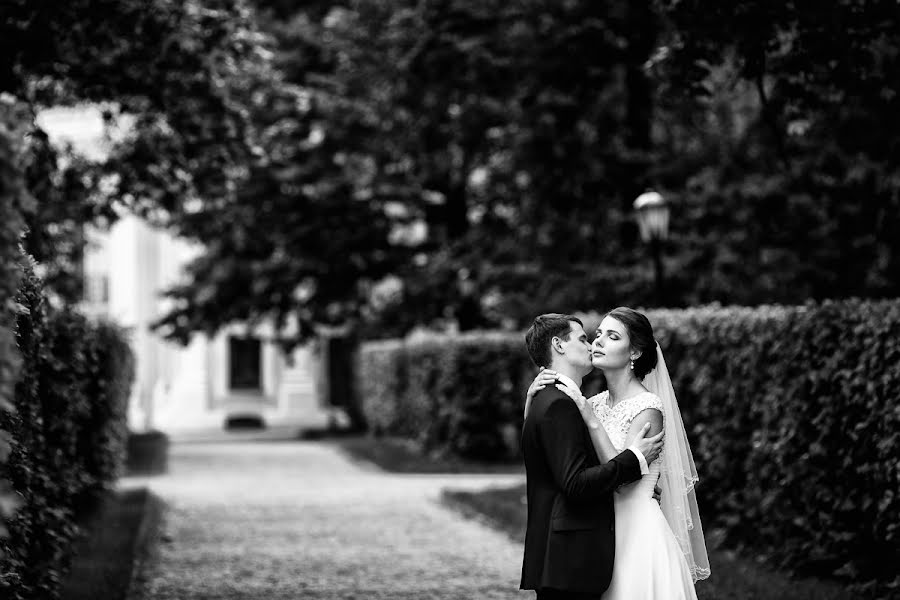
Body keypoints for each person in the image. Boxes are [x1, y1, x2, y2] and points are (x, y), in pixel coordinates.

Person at [525, 307, 711, 600]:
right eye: (597, 335)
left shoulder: (647, 407)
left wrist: (590, 418)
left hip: (636, 533)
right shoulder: (592, 403)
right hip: (599, 533)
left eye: (611, 337)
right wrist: (531, 403)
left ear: (634, 353)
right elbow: (565, 456)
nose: (597, 342)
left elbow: (624, 478)